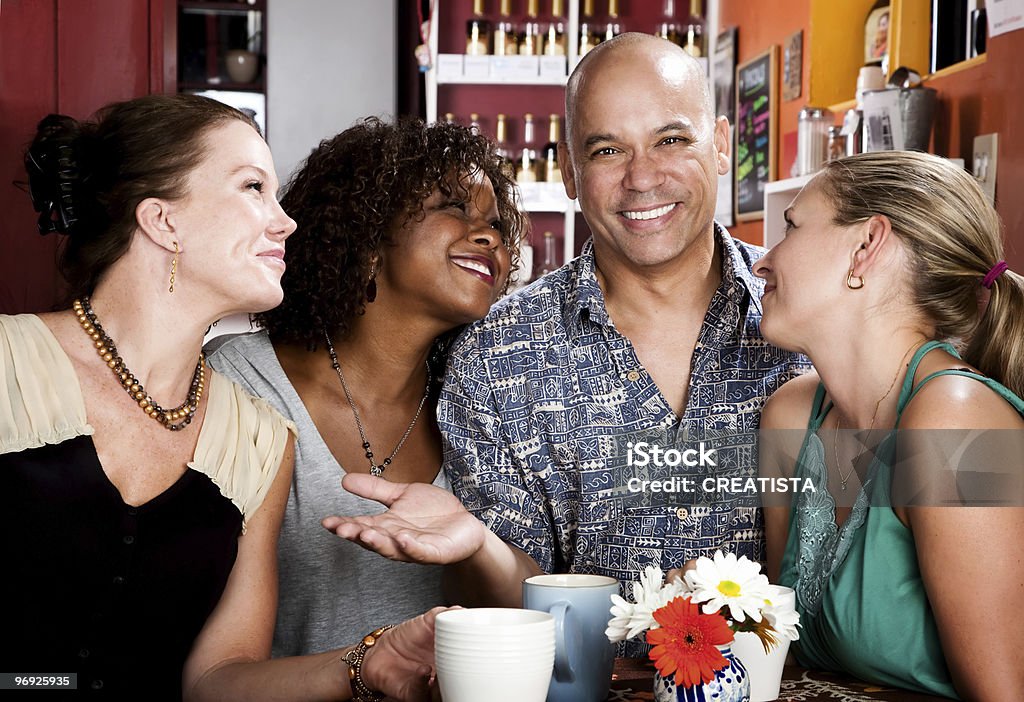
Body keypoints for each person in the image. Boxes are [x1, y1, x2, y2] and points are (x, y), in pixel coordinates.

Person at [323, 33, 807, 650]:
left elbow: (923, 513)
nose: (643, 178)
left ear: (720, 145)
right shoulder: (500, 354)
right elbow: (521, 604)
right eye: (608, 151)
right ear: (570, 174)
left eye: (672, 139)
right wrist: (478, 547)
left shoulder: (816, 319)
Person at [1, 94, 446, 701]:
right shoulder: (7, 365)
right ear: (163, 221)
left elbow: (216, 681)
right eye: (252, 187)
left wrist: (365, 663)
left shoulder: (259, 438)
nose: (285, 221)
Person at [205, 116, 522, 656]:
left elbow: (524, 621)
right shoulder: (237, 382)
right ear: (368, 236)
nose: (490, 236)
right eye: (454, 207)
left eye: (496, 222)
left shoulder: (487, 402)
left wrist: (476, 549)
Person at [756, 151, 1024, 700]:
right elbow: (784, 657)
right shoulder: (790, 415)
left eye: (791, 226)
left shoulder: (953, 420)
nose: (763, 260)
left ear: (866, 245)